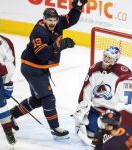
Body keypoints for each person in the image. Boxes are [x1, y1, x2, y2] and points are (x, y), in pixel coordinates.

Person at [10, 0, 88, 140]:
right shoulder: (39, 32)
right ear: (44, 20)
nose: (52, 22)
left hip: (39, 67)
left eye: (54, 19)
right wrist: (59, 45)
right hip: (32, 67)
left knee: (37, 99)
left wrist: (77, 7)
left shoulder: (58, 23)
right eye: (49, 20)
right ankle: (55, 128)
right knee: (48, 98)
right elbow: (43, 55)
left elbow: (71, 20)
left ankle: (12, 115)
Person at [72, 46, 131, 143]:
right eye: (106, 56)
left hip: (112, 114)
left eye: (110, 58)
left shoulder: (122, 72)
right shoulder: (94, 68)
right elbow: (86, 88)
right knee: (91, 134)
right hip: (96, 110)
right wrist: (83, 104)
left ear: (115, 60)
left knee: (112, 139)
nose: (106, 59)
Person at [0, 34, 16, 144]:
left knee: (1, 103)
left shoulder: (4, 42)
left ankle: (8, 130)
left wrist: (7, 83)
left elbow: (10, 63)